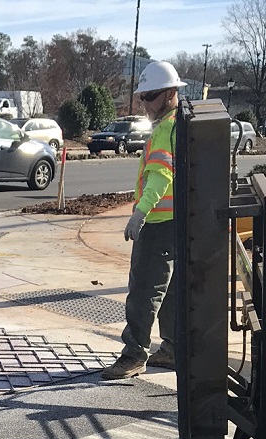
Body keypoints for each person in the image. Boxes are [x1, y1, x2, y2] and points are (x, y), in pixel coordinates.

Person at [102, 61, 185, 380]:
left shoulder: (166, 129)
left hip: (158, 223)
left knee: (143, 292)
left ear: (169, 94)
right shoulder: (178, 124)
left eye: (149, 96)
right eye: (142, 97)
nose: (144, 103)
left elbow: (160, 175)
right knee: (169, 291)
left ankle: (134, 354)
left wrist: (140, 213)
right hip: (175, 222)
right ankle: (173, 348)